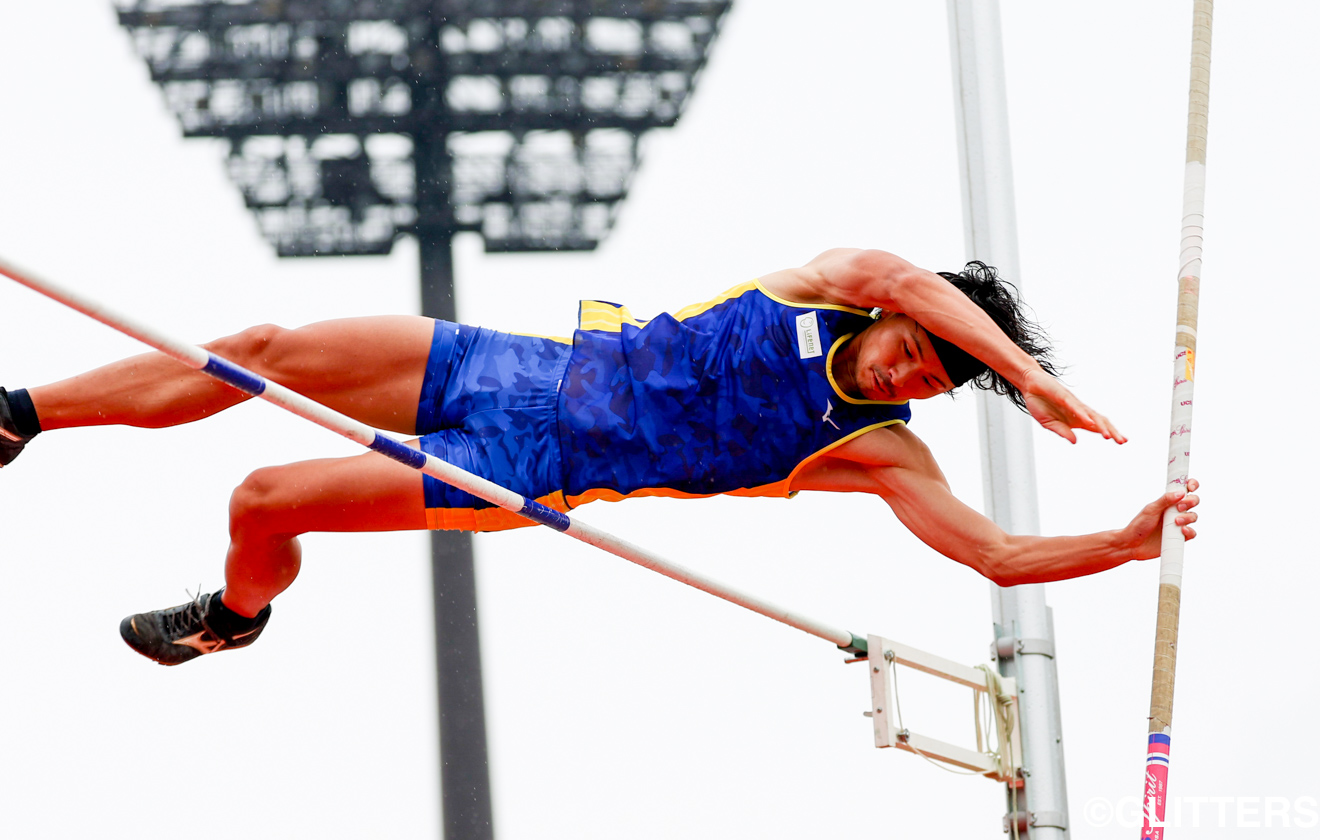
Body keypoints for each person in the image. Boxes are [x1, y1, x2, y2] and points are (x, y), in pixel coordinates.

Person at [0, 248, 1199, 665]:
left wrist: (1124, 542)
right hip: (506, 366)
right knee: (261, 346)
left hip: (524, 475)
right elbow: (899, 277)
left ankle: (235, 617)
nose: (903, 378)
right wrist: (1035, 376)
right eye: (911, 355)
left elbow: (993, 552)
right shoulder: (836, 282)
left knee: (263, 499)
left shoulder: (871, 450)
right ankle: (21, 416)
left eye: (931, 384)